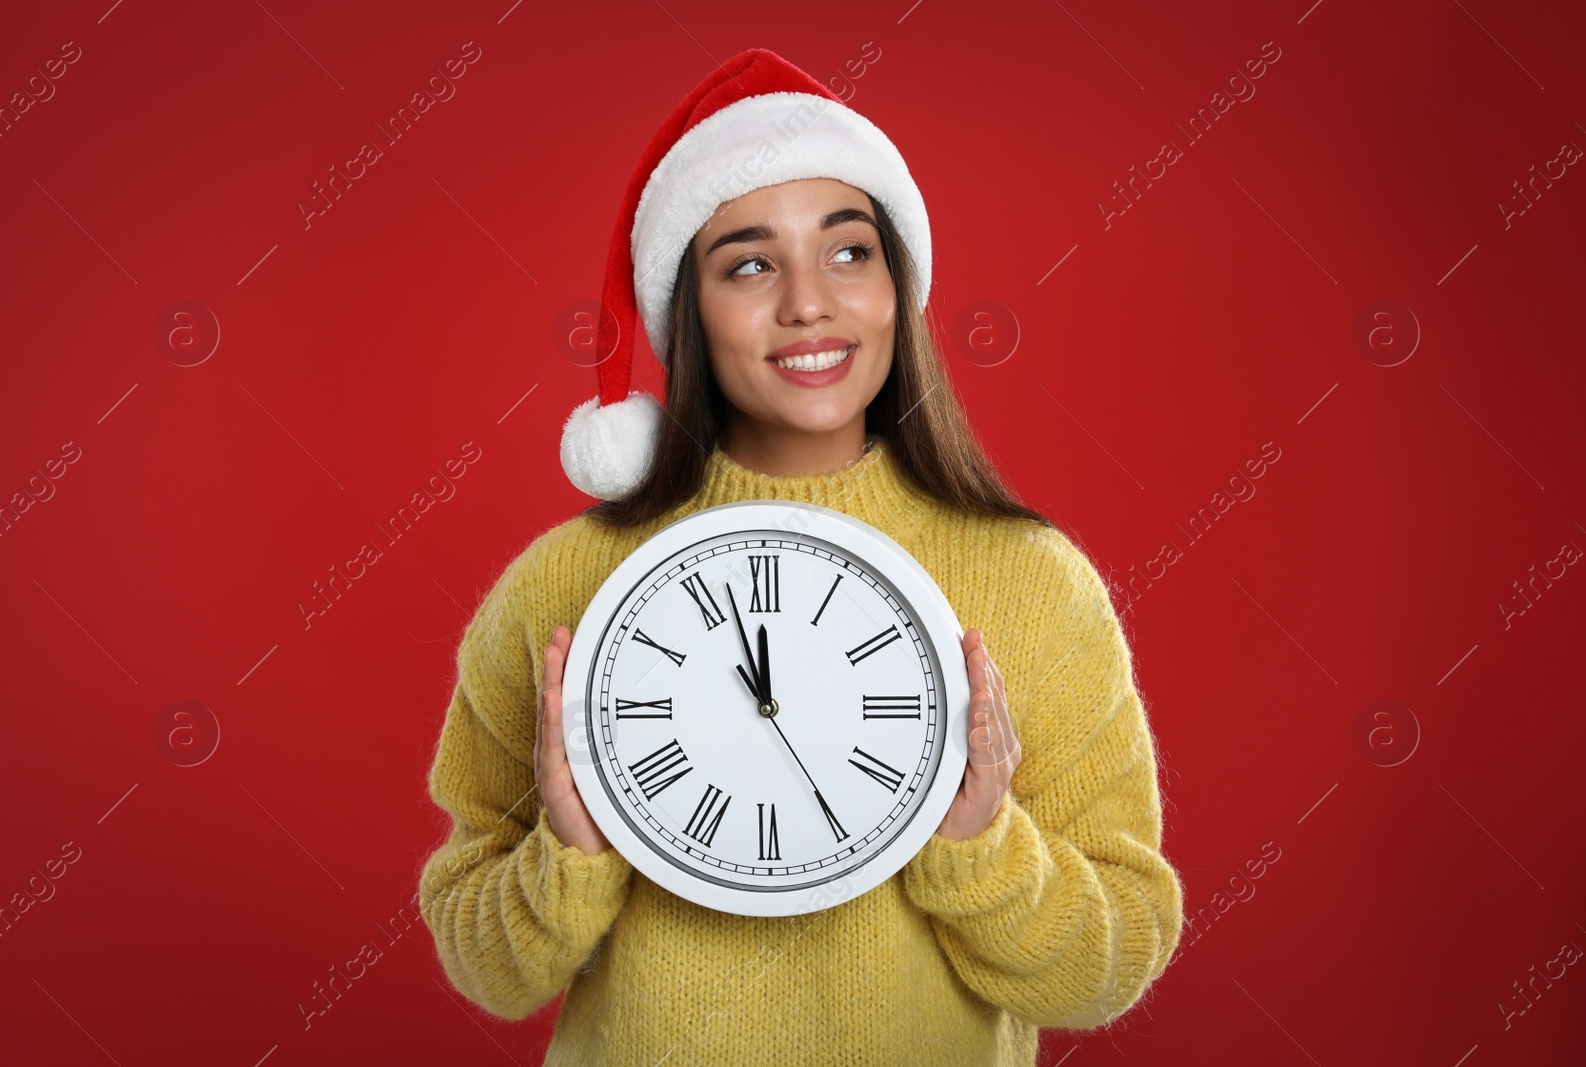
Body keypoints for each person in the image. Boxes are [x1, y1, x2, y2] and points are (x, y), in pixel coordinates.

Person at [417, 48, 1183, 1066]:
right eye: (747, 263)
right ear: (688, 310)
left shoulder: (1034, 581)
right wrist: (569, 850)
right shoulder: (561, 587)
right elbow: (487, 967)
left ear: (894, 286)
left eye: (848, 251)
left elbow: (1109, 961)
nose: (807, 302)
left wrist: (976, 844)